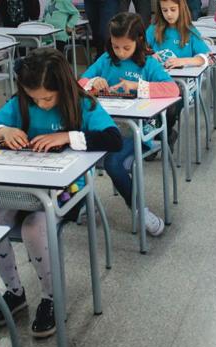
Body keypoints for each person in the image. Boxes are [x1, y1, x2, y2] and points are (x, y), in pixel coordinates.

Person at [0, 48, 121, 338]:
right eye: (34, 99)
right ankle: (14, 291)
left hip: (69, 188)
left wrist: (67, 136)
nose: (41, 104)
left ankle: (51, 297)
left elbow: (113, 138)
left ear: (63, 87)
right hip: (21, 185)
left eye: (47, 98)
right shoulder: (21, 103)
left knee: (35, 227)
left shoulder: (83, 105)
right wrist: (3, 132)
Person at [78, 12, 179, 236]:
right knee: (78, 151)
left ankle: (139, 210)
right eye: (115, 46)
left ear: (139, 41)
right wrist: (94, 82)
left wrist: (136, 87)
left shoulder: (148, 63)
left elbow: (172, 89)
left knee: (114, 163)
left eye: (126, 47)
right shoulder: (106, 60)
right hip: (108, 129)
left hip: (139, 132)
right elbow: (80, 82)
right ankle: (81, 202)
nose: (120, 52)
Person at [146, 0, 210, 149]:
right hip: (158, 83)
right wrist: (148, 54)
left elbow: (208, 58)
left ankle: (160, 136)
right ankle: (163, 136)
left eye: (173, 9)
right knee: (152, 100)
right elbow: (138, 48)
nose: (169, 14)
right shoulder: (153, 29)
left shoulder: (190, 31)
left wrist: (183, 61)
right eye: (164, 10)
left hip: (184, 87)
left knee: (171, 101)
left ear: (182, 8)